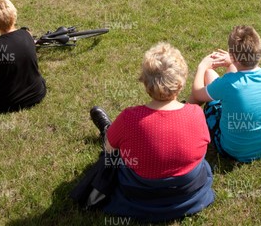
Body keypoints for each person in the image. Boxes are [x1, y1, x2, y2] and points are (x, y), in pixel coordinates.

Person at [89, 42, 214, 222]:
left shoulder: (129, 118)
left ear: (145, 82)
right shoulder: (196, 114)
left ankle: (108, 129)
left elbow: (109, 151)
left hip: (140, 195)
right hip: (186, 194)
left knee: (111, 154)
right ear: (181, 81)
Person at [190, 25, 261, 163]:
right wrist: (232, 61)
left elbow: (197, 93)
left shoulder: (228, 84)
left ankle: (182, 115)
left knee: (209, 74)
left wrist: (202, 67)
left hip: (232, 150)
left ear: (234, 57)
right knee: (231, 84)